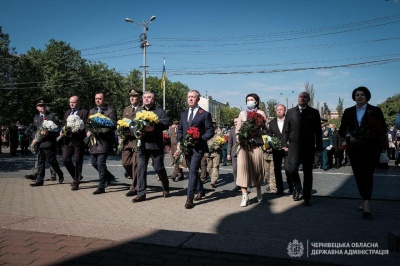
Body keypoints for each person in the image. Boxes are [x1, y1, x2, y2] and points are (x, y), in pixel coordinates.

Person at [339, 86, 387, 218]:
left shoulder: (375, 110)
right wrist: (349, 137)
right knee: (359, 175)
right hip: (354, 148)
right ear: (354, 97)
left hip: (371, 148)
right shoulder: (348, 111)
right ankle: (363, 196)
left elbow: (383, 128)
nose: (359, 97)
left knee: (368, 174)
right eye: (357, 95)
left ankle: (366, 203)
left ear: (367, 97)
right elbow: (342, 129)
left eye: (362, 95)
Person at [283, 92, 322, 206]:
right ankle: (297, 186)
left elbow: (318, 131)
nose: (303, 99)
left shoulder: (314, 112)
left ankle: (307, 196)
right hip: (294, 147)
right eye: (301, 97)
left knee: (308, 173)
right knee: (292, 170)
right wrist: (283, 144)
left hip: (308, 147)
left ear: (308, 99)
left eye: (305, 97)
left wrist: (318, 146)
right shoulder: (290, 112)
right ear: (298, 98)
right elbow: (286, 129)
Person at [176, 90, 214, 209]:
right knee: (190, 169)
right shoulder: (183, 113)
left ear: (198, 99)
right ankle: (201, 190)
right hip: (186, 148)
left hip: (198, 148)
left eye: (193, 97)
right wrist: (179, 142)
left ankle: (189, 198)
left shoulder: (204, 114)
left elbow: (210, 131)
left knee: (192, 171)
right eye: (189, 97)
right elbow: (181, 130)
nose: (190, 99)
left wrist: (200, 138)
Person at [130, 91, 170, 203]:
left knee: (158, 168)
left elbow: (166, 122)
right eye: (145, 97)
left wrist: (154, 126)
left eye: (149, 97)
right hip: (141, 145)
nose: (146, 99)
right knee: (141, 169)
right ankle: (141, 193)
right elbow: (132, 124)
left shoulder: (159, 111)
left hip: (155, 145)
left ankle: (165, 186)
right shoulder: (139, 111)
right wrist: (135, 131)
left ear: (153, 99)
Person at [236, 93, 267, 207]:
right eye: (248, 100)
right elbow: (237, 129)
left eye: (252, 100)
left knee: (257, 170)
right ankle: (245, 196)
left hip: (256, 145)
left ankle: (259, 191)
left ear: (256, 102)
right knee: (242, 170)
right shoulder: (242, 113)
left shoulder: (261, 113)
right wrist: (239, 137)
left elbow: (266, 130)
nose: (249, 101)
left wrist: (257, 131)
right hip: (244, 146)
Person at [30, 97, 64, 187]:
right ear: (37, 107)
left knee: (51, 160)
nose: (42, 107)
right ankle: (40, 180)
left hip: (49, 143)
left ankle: (60, 173)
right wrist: (34, 138)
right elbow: (33, 130)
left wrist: (48, 132)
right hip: (40, 143)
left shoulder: (51, 116)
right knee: (41, 161)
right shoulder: (36, 118)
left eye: (44, 105)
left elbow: (58, 128)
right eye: (40, 106)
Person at [87, 92, 117, 195]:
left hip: (104, 141)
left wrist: (100, 130)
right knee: (94, 163)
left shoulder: (110, 110)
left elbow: (113, 125)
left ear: (104, 99)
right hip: (94, 141)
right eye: (96, 98)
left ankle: (101, 186)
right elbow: (88, 124)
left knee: (101, 163)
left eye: (99, 98)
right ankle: (109, 177)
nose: (97, 100)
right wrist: (88, 131)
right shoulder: (92, 111)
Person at [59, 96, 89, 191]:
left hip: (78, 140)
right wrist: (61, 131)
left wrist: (79, 130)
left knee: (78, 160)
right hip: (68, 140)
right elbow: (63, 124)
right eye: (70, 102)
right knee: (65, 159)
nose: (71, 104)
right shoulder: (67, 112)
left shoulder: (84, 112)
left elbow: (86, 125)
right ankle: (77, 176)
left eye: (74, 102)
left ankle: (76, 182)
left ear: (78, 102)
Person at [122, 89, 143, 197]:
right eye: (131, 96)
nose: (132, 98)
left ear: (139, 97)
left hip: (137, 141)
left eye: (134, 96)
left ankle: (134, 188)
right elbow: (122, 123)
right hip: (127, 140)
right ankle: (136, 178)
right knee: (125, 163)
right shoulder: (126, 109)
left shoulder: (142, 109)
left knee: (135, 164)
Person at [267, 104, 292, 195]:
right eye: (277, 110)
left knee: (287, 168)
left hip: (288, 149)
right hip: (276, 149)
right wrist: (270, 144)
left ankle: (291, 187)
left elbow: (293, 133)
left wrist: (289, 144)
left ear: (285, 111)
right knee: (277, 169)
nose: (279, 111)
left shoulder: (289, 120)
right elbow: (269, 135)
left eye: (281, 109)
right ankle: (280, 189)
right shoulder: (272, 122)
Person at [206, 120, 222, 188]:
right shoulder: (207, 130)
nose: (213, 124)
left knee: (215, 166)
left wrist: (219, 146)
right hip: (208, 152)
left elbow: (222, 140)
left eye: (214, 123)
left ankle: (213, 181)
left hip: (216, 152)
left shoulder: (219, 131)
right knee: (209, 167)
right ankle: (212, 177)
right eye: (211, 123)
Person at [227, 118, 240, 191]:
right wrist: (228, 153)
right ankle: (237, 184)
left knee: (243, 170)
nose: (235, 123)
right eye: (234, 122)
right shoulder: (232, 131)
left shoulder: (243, 129)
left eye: (237, 122)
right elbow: (230, 143)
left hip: (242, 152)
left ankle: (243, 184)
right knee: (235, 170)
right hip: (234, 153)